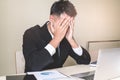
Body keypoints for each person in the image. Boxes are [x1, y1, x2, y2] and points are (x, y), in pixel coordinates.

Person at [23, 0, 91, 72]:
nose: (67, 27)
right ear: (51, 19)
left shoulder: (66, 37)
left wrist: (71, 40)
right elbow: (33, 65)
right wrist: (56, 39)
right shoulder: (31, 34)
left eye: (70, 23)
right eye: (64, 22)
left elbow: (85, 61)